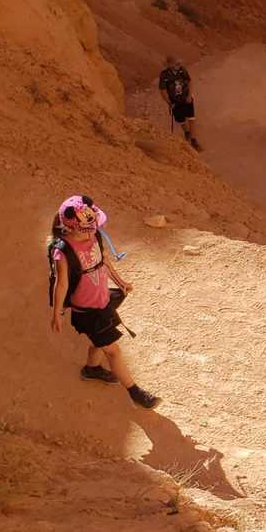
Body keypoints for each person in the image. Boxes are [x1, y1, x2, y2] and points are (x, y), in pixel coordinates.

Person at [49, 196, 161, 409]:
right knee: (113, 351)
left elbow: (103, 262)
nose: (92, 231)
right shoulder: (63, 252)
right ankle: (136, 394)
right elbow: (61, 284)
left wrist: (120, 282)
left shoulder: (95, 237)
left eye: (94, 226)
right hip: (87, 311)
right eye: (87, 228)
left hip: (103, 301)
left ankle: (91, 369)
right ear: (71, 227)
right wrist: (57, 314)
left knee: (99, 342)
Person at [157, 56, 200, 151]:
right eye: (176, 63)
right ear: (169, 65)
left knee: (191, 118)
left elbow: (189, 81)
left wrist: (189, 96)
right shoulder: (164, 75)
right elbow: (162, 90)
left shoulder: (182, 70)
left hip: (186, 98)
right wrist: (168, 102)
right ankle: (187, 132)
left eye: (178, 63)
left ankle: (194, 140)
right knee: (181, 121)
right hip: (175, 101)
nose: (178, 65)